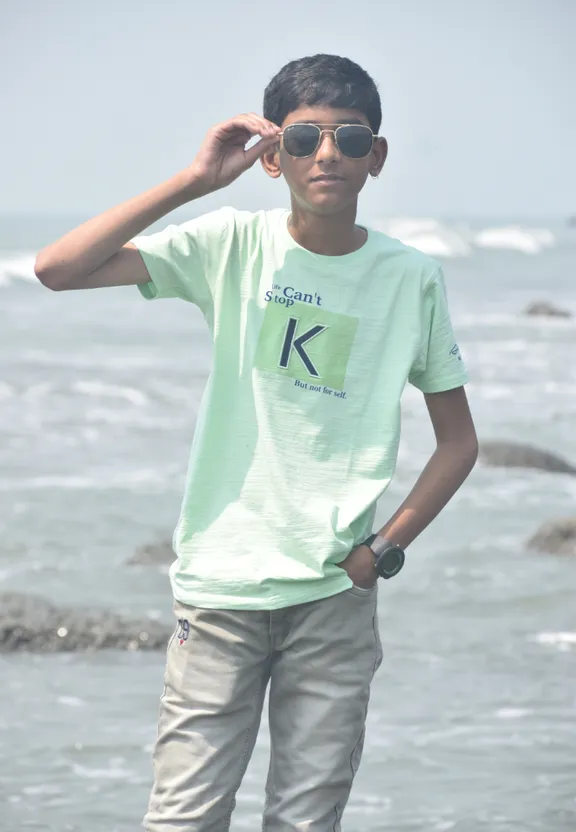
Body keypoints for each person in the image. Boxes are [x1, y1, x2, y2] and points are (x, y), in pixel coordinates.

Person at [35, 53, 478, 832]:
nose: (328, 154)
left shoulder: (412, 278)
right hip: (219, 592)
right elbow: (57, 268)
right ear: (272, 158)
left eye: (350, 137)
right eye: (304, 140)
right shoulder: (231, 244)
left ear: (378, 157)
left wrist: (385, 550)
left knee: (306, 822)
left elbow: (459, 443)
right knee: (183, 818)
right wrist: (195, 182)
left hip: (336, 595)